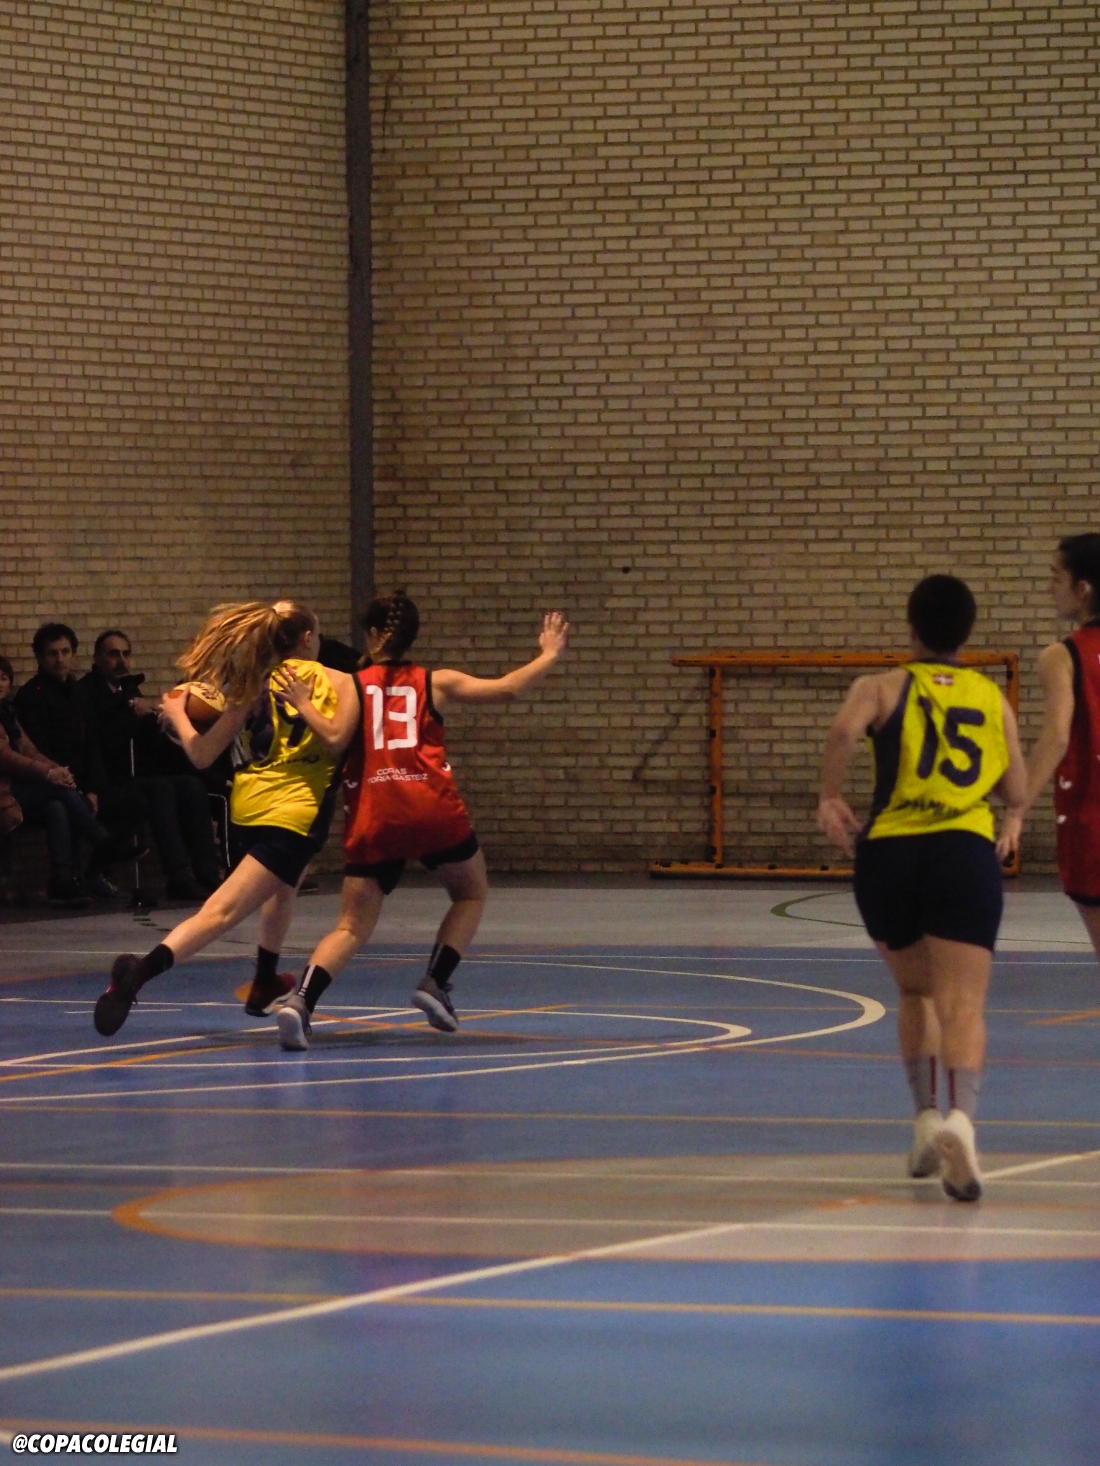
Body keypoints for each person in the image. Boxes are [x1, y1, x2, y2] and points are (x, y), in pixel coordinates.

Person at [276, 592, 569, 1051]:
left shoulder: (351, 683)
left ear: (373, 635)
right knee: (470, 892)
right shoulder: (437, 681)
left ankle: (301, 1002)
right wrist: (548, 654)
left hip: (375, 809)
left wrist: (302, 699)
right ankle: (435, 981)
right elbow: (508, 688)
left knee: (351, 926)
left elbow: (333, 738)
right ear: (413, 636)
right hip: (429, 805)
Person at [816, 575, 1026, 1202]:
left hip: (889, 855)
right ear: (967, 633)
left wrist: (829, 795)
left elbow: (842, 733)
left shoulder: (880, 686)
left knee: (915, 991)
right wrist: (1013, 815)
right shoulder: (989, 696)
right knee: (963, 1002)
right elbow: (1016, 788)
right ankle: (961, 1119)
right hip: (960, 851)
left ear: (911, 628)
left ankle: (925, 1119)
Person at [93, 601, 360, 1036]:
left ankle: (264, 981)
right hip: (295, 814)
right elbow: (337, 741)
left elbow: (201, 755)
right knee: (220, 912)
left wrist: (178, 716)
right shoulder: (342, 681)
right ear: (308, 637)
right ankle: (138, 974)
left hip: (248, 806)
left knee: (284, 885)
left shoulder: (254, 683)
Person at [77, 629, 222, 900]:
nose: (121, 660)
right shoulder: (86, 692)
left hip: (136, 773)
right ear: (96, 658)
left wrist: (158, 723)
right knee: (161, 790)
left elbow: (146, 744)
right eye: (113, 654)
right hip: (105, 780)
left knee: (191, 785)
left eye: (125, 654)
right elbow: (100, 742)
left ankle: (207, 872)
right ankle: (178, 875)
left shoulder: (129, 689)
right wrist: (134, 716)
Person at [14, 622, 140, 896]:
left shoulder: (79, 692)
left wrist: (92, 788)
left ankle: (91, 871)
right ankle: (71, 875)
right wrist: (73, 784)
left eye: (65, 652)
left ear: (73, 654)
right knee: (59, 806)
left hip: (78, 779)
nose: (60, 659)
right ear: (39, 657)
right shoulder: (31, 695)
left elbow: (91, 743)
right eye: (52, 653)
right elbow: (37, 750)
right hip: (48, 780)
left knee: (131, 796)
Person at [1020, 534, 1100, 960]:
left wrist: (1017, 808)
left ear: (1083, 588)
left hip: (1092, 821)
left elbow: (1057, 736)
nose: (1050, 588)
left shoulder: (1063, 656)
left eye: (1056, 577)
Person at [0, 655, 120, 906]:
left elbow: (29, 751)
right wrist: (48, 774)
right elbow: (6, 757)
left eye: (3, 678)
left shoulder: (7, 712)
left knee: (56, 807)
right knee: (58, 792)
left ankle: (62, 882)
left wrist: (59, 771)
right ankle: (102, 840)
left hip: (13, 790)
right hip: (4, 792)